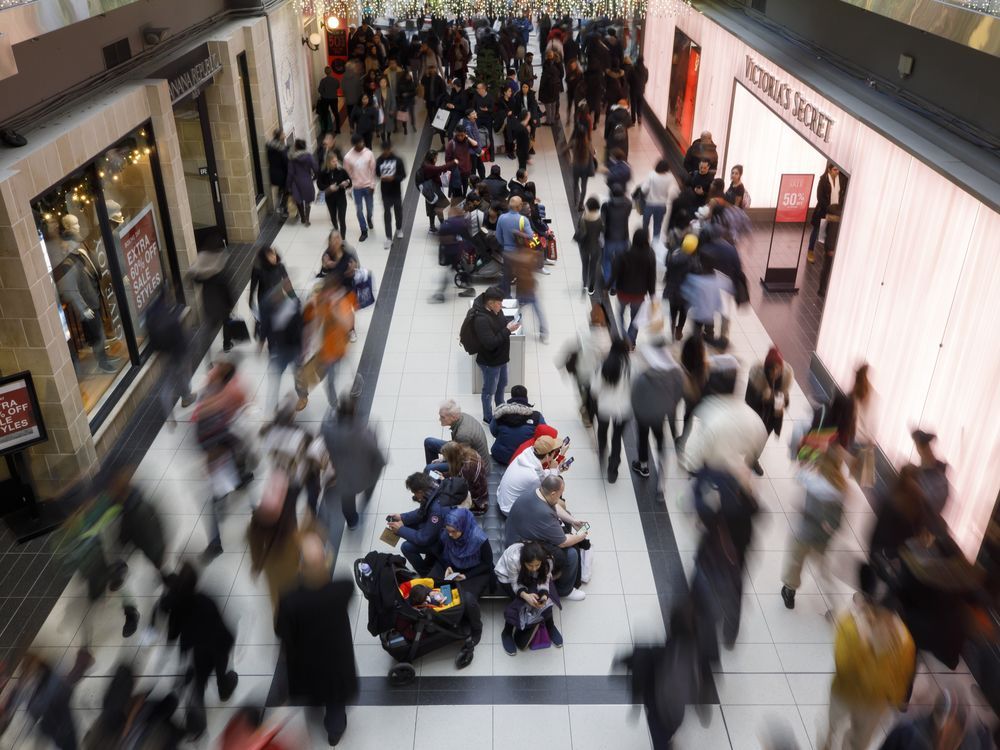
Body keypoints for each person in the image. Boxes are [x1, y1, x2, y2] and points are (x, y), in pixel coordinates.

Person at [276, 534, 357, 747]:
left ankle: (314, 704)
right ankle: (334, 731)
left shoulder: (289, 600)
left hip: (306, 661)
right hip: (335, 661)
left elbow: (281, 631)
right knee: (335, 699)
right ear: (326, 562)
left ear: (300, 566)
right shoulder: (342, 588)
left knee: (312, 689)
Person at [821, 569, 915, 750]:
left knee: (860, 741)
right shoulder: (851, 628)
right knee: (831, 727)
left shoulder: (904, 641)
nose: (884, 621)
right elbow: (843, 666)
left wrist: (891, 698)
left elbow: (903, 676)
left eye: (889, 617)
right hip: (845, 692)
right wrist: (866, 648)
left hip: (874, 703)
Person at [158, 562, 238, 738]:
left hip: (195, 651)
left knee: (198, 684)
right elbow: (220, 625)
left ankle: (196, 725)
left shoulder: (176, 607)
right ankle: (223, 687)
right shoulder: (205, 601)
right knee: (220, 667)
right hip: (216, 645)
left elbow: (172, 634)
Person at [194, 359, 252, 559]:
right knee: (233, 484)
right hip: (225, 455)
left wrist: (210, 460)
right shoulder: (216, 394)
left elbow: (221, 434)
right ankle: (242, 484)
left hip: (220, 460)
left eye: (216, 370)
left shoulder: (220, 401)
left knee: (216, 496)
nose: (212, 372)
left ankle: (215, 542)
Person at [681, 355, 768, 483]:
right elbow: (758, 445)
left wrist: (692, 465)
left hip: (711, 468)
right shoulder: (755, 420)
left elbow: (695, 456)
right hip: (733, 475)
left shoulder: (707, 413)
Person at [780, 447, 847, 610]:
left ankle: (789, 591)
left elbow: (798, 475)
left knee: (794, 563)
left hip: (804, 532)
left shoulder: (814, 481)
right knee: (823, 567)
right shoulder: (841, 488)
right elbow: (838, 521)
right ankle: (832, 601)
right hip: (823, 538)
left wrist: (805, 464)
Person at [504, 474, 588, 600]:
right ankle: (565, 590)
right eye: (560, 494)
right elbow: (563, 542)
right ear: (553, 493)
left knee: (567, 521)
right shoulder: (543, 513)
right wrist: (582, 535)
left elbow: (554, 506)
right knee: (571, 554)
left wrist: (572, 521)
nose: (560, 496)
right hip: (520, 546)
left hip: (520, 531)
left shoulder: (538, 490)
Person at [429, 507, 494, 668]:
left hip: (476, 571)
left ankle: (476, 628)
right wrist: (448, 566)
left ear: (463, 527)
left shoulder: (479, 539)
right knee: (431, 582)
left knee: (468, 599)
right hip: (453, 566)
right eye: (448, 531)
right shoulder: (446, 534)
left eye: (454, 532)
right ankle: (443, 615)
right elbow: (441, 552)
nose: (450, 535)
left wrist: (466, 576)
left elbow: (487, 564)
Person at [321, 392, 385, 529]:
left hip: (343, 475)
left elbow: (326, 435)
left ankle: (352, 522)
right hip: (365, 475)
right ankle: (365, 503)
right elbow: (379, 458)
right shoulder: (365, 434)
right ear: (354, 412)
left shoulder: (328, 431)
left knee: (347, 500)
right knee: (368, 489)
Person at [387, 472, 467, 575]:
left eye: (414, 493)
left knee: (406, 547)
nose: (414, 495)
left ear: (420, 491)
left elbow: (424, 538)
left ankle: (426, 573)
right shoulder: (433, 488)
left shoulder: (437, 509)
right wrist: (402, 517)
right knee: (406, 525)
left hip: (444, 542)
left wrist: (400, 530)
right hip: (439, 528)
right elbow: (422, 512)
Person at [497, 541, 563, 654]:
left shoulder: (547, 561)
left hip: (528, 576)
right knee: (521, 601)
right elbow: (514, 583)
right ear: (524, 562)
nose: (534, 568)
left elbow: (544, 579)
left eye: (537, 565)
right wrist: (526, 596)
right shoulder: (514, 559)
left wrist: (544, 594)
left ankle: (550, 625)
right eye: (530, 565)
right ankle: (507, 632)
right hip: (508, 577)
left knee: (548, 594)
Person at [631, 339, 685, 478]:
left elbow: (634, 396)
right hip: (659, 414)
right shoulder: (672, 375)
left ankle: (643, 466)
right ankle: (662, 460)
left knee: (643, 438)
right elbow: (678, 393)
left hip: (643, 415)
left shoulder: (643, 377)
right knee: (659, 435)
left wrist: (637, 411)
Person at [468, 286, 521, 423]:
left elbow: (502, 325)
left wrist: (510, 325)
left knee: (502, 384)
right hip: (489, 363)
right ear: (490, 304)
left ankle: (500, 408)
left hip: (501, 358)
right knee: (489, 391)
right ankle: (488, 417)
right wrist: (507, 330)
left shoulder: (497, 311)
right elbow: (490, 343)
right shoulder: (481, 320)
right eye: (499, 303)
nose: (501, 305)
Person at [879, 689, 993, 750]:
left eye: (955, 735)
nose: (948, 741)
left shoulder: (978, 743)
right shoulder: (907, 736)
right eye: (946, 734)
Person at [745, 346, 794, 473]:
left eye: (778, 369)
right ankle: (745, 454)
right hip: (756, 414)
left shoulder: (786, 377)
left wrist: (783, 404)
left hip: (772, 416)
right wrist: (762, 397)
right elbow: (748, 399)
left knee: (763, 438)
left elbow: (786, 400)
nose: (775, 373)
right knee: (751, 437)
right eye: (771, 370)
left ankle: (753, 459)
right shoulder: (757, 373)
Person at [592, 338, 633, 483]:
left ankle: (602, 453)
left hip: (604, 407)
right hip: (623, 409)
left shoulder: (604, 365)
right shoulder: (630, 366)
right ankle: (613, 467)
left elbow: (594, 389)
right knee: (617, 437)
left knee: (602, 432)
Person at [496, 433, 564, 515]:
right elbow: (547, 490)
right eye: (554, 452)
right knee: (559, 503)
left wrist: (557, 470)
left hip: (503, 500)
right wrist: (553, 470)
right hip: (509, 510)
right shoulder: (533, 476)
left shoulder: (527, 454)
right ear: (547, 456)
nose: (555, 454)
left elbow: (540, 474)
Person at [612, 229, 657, 344]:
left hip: (623, 292)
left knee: (620, 315)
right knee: (635, 319)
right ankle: (631, 341)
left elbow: (616, 272)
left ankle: (624, 336)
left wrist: (608, 286)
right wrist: (652, 294)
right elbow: (652, 277)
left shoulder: (625, 253)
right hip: (639, 294)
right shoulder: (650, 254)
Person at [424, 400, 490, 472]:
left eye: (442, 417)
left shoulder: (463, 435)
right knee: (429, 442)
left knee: (429, 468)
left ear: (453, 417)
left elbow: (461, 459)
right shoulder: (461, 416)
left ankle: (435, 479)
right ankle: (434, 473)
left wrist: (444, 460)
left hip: (474, 466)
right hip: (464, 452)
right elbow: (458, 447)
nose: (440, 419)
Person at [490, 385, 546, 465]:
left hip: (501, 457)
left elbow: (493, 431)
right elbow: (544, 435)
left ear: (512, 396)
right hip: (525, 458)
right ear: (526, 397)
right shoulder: (536, 417)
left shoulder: (500, 414)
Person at [808, 162, 848, 263]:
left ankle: (826, 251)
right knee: (816, 231)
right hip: (823, 210)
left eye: (838, 170)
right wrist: (829, 209)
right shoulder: (823, 180)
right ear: (829, 170)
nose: (837, 172)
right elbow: (819, 197)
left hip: (835, 211)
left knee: (830, 232)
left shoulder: (841, 179)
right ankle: (810, 251)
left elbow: (842, 195)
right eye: (835, 170)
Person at [342, 133, 376, 242]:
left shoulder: (369, 154)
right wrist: (349, 188)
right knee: (359, 210)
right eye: (359, 143)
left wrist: (372, 185)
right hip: (356, 188)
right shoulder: (348, 157)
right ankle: (363, 230)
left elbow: (373, 171)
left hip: (368, 187)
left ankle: (369, 218)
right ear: (354, 144)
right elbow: (346, 174)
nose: (362, 144)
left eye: (362, 142)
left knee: (370, 208)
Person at [664, 233, 696, 341]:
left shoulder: (673, 255)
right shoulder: (693, 262)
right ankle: (679, 331)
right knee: (683, 313)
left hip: (672, 291)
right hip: (685, 293)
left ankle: (672, 330)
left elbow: (667, 271)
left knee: (672, 312)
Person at [440, 441, 488, 514]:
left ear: (452, 458)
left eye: (446, 458)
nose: (445, 460)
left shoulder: (466, 470)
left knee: (444, 501)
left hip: (477, 501)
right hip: (480, 488)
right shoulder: (471, 453)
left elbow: (460, 489)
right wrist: (444, 475)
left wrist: (444, 480)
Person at [375, 140, 406, 249]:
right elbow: (377, 173)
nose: (386, 153)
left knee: (398, 211)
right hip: (385, 191)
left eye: (387, 150)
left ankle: (399, 228)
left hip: (396, 191)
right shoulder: (379, 160)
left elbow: (403, 175)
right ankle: (388, 237)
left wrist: (393, 178)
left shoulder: (398, 160)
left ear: (390, 148)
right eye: (384, 151)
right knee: (387, 213)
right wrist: (381, 177)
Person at [912, 429, 950, 516]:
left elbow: (931, 506)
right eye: (924, 447)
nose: (928, 450)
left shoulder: (939, 480)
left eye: (926, 447)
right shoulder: (919, 473)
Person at [600, 182, 632, 284]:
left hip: (609, 238)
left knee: (607, 261)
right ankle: (616, 284)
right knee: (620, 262)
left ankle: (607, 282)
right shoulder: (628, 205)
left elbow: (602, 220)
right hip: (623, 238)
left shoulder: (606, 206)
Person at [641, 159, 680, 242]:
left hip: (649, 204)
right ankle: (655, 244)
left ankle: (644, 241)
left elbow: (644, 189)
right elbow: (672, 192)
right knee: (657, 226)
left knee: (645, 224)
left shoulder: (651, 175)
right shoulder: (670, 177)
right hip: (662, 205)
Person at [317, 148, 351, 236]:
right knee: (333, 217)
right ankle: (336, 229)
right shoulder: (323, 172)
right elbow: (319, 185)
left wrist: (346, 183)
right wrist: (329, 188)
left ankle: (343, 239)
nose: (336, 163)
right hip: (330, 198)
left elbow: (349, 181)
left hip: (341, 197)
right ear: (328, 162)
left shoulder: (341, 170)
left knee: (342, 219)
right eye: (333, 161)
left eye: (336, 161)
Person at [573, 195, 603, 295]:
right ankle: (591, 288)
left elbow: (578, 228)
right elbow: (603, 232)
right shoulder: (600, 220)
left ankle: (584, 284)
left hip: (584, 247)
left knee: (585, 266)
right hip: (595, 247)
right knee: (593, 267)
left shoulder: (583, 218)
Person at [567, 111, 596, 211]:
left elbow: (566, 148)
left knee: (575, 184)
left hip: (576, 166)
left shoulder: (574, 142)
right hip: (585, 166)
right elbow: (593, 153)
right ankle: (581, 204)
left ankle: (575, 200)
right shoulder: (588, 144)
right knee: (584, 185)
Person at [286, 139, 317, 226]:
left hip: (296, 182)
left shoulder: (292, 158)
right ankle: (307, 219)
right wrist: (315, 176)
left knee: (298, 200)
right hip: (307, 180)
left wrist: (288, 185)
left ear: (296, 147)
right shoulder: (309, 156)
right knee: (307, 201)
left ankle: (302, 217)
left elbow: (290, 173)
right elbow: (315, 167)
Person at [266, 129, 290, 217]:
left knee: (281, 190)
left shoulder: (270, 146)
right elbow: (285, 161)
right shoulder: (281, 148)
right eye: (283, 134)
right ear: (280, 136)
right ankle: (282, 208)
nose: (285, 135)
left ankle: (281, 207)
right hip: (282, 173)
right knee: (286, 191)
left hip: (274, 172)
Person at [317, 66, 342, 135]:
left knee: (324, 114)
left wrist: (324, 93)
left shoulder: (323, 80)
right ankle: (338, 129)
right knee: (336, 113)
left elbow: (319, 90)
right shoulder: (335, 80)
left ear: (325, 72)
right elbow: (337, 86)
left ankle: (325, 129)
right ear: (331, 71)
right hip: (334, 98)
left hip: (325, 99)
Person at [627, 55, 648, 124]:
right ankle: (639, 117)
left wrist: (631, 85)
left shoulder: (633, 69)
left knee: (633, 105)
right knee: (640, 104)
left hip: (633, 90)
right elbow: (646, 80)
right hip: (641, 90)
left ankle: (633, 120)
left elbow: (628, 79)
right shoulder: (646, 70)